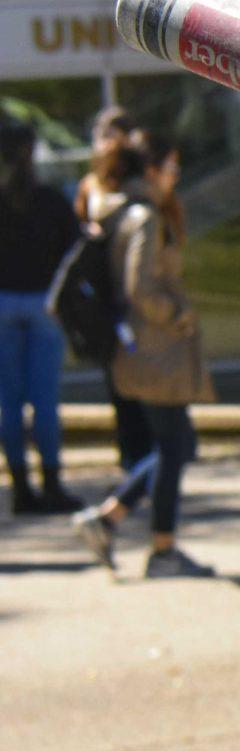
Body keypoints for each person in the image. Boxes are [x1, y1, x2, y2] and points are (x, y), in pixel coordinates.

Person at [70, 130, 216, 579]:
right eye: (171, 168)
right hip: (156, 347)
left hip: (141, 348)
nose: (176, 177)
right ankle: (160, 549)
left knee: (173, 446)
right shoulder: (145, 216)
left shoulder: (120, 210)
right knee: (174, 448)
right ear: (151, 171)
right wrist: (178, 315)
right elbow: (140, 286)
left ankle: (111, 521)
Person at [0, 116, 82, 515]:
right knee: (45, 402)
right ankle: (51, 483)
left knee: (9, 403)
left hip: (3, 306)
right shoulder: (50, 200)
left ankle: (21, 488)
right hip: (43, 305)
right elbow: (75, 251)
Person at [73, 106, 161, 473]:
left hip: (122, 299)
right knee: (128, 391)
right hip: (116, 300)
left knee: (135, 392)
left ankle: (142, 467)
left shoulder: (135, 190)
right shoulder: (95, 187)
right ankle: (140, 468)